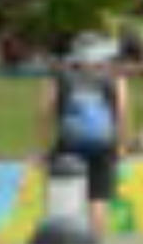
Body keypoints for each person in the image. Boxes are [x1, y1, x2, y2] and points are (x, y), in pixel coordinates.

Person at [50, 36, 129, 226]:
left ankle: (70, 242)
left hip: (69, 143)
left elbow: (44, 112)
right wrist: (121, 143)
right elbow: (122, 112)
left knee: (68, 194)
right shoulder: (114, 78)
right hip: (103, 143)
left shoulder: (61, 77)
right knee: (98, 198)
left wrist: (45, 146)